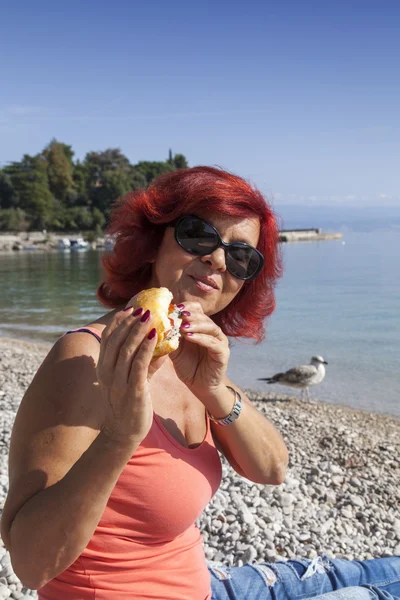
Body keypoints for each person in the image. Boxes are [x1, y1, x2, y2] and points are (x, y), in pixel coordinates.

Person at [1, 166, 399, 600]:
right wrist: (119, 437)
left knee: (384, 572)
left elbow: (272, 468)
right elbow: (30, 566)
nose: (217, 259)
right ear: (152, 242)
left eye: (241, 256)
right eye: (198, 235)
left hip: (201, 583)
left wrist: (213, 389)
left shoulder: (189, 354)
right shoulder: (85, 361)